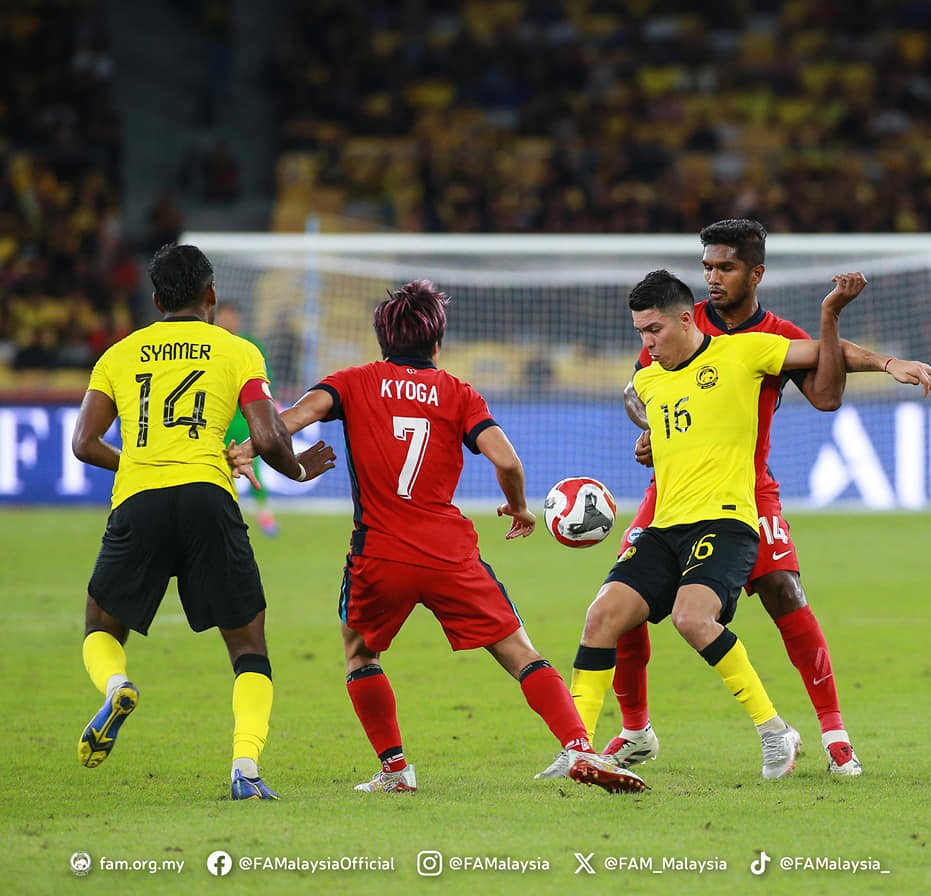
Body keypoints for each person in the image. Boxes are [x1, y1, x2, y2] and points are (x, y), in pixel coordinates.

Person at [537, 221, 931, 782]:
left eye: (725, 267)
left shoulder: (766, 337)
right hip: (673, 490)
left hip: (746, 486)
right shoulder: (677, 317)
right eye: (707, 266)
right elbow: (643, 392)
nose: (712, 278)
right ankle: (634, 731)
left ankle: (833, 732)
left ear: (755, 273)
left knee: (782, 590)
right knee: (618, 605)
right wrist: (656, 432)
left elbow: (826, 383)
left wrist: (885, 361)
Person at [230, 279, 647, 794]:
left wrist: (249, 447)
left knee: (360, 653)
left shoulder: (352, 381)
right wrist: (518, 506)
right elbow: (508, 459)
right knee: (520, 651)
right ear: (436, 342)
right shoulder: (459, 393)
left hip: (380, 553)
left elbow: (290, 420)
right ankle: (579, 747)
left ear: (382, 337)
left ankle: (395, 770)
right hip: (450, 553)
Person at [71, 242, 336, 801]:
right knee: (248, 647)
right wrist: (295, 471)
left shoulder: (119, 354)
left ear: (155, 300)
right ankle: (245, 768)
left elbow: (84, 443)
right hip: (207, 498)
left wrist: (142, 463)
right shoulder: (237, 351)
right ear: (210, 294)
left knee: (100, 627)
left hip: (138, 500)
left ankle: (118, 686)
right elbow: (265, 436)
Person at [217, 299, 279, 536]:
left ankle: (264, 514)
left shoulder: (252, 346)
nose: (228, 320)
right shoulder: (211, 345)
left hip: (245, 419)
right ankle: (228, 514)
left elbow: (264, 382)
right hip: (218, 418)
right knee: (220, 469)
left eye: (232, 315)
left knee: (255, 466)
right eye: (224, 315)